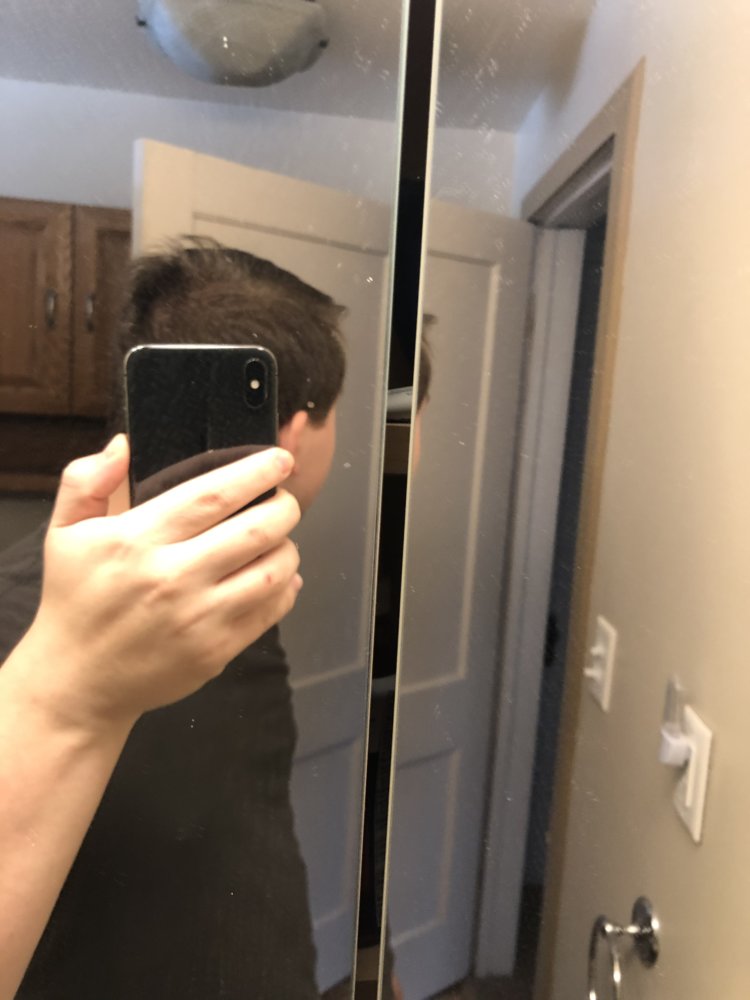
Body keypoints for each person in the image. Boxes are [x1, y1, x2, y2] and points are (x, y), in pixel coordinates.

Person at [0, 239, 347, 1000]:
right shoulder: (35, 636)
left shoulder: (226, 591)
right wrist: (69, 692)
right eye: (334, 417)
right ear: (292, 434)